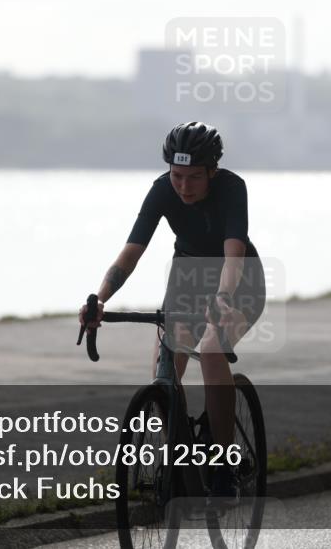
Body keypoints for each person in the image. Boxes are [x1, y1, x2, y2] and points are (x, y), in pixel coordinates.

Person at [79, 121, 266, 501]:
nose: (184, 186)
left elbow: (233, 254)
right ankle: (178, 457)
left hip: (239, 280)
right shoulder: (162, 190)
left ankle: (223, 465)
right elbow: (131, 253)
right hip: (188, 277)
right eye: (177, 176)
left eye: (194, 177)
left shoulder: (232, 188)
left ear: (212, 170)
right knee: (166, 363)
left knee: (212, 350)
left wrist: (223, 298)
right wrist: (99, 299)